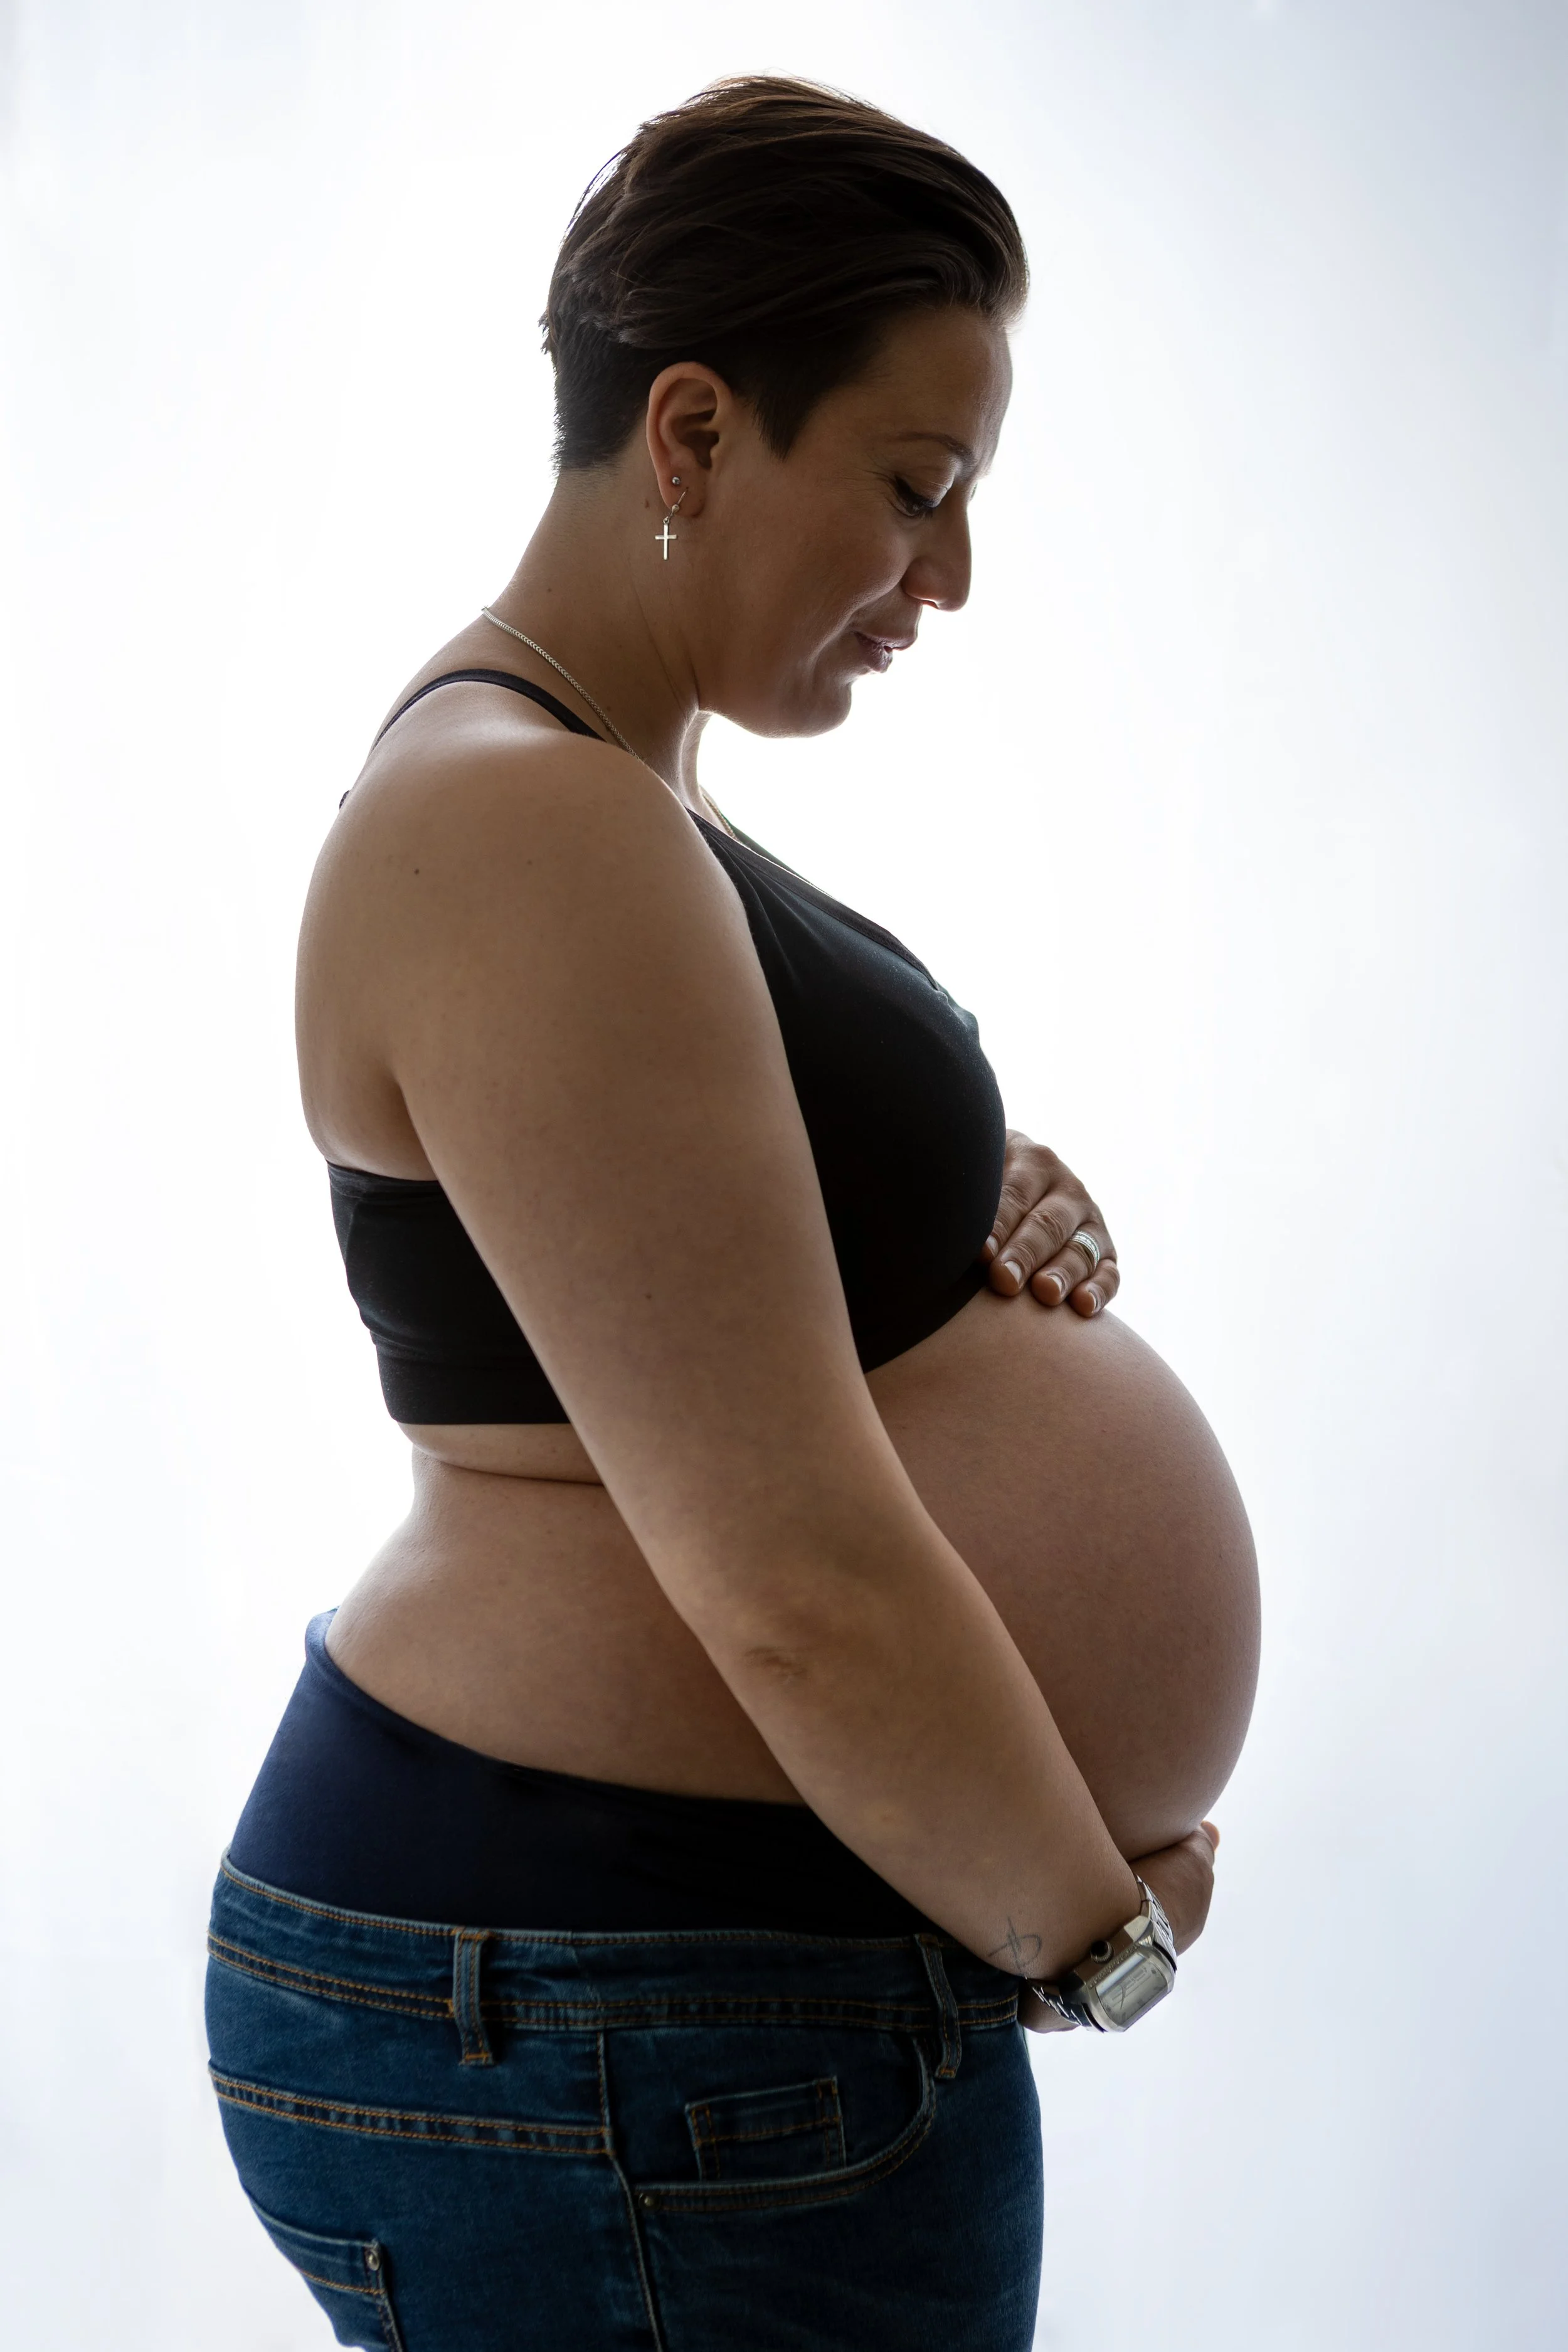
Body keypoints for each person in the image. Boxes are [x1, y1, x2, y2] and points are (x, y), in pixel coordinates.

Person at [205, 75, 1260, 2351]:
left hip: (662, 2004)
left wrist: (949, 1186)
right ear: (691, 431)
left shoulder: (599, 803)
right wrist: (1089, 1924)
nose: (949, 575)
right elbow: (788, 1575)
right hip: (620, 2013)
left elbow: (678, 1269)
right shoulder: (521, 824)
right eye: (913, 485)